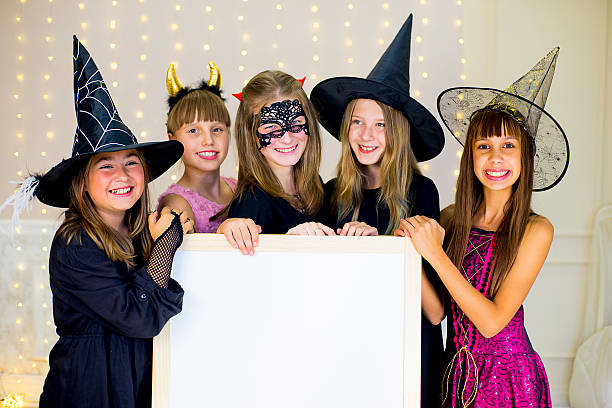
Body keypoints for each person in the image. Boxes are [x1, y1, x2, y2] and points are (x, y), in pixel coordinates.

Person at [0, 37, 193, 407]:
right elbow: (139, 317)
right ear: (83, 183)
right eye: (106, 166)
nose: (122, 175)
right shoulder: (76, 244)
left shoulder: (139, 233)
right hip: (90, 388)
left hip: (137, 384)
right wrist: (166, 244)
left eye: (131, 162)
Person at [395, 47, 569, 407]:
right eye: (484, 146)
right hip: (453, 375)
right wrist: (409, 251)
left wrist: (435, 255)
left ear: (525, 155)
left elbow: (492, 324)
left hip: (507, 379)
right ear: (470, 155)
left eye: (509, 145)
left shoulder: (536, 230)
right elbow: (437, 312)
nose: (495, 158)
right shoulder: (451, 218)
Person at [310, 14, 446, 407]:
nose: (366, 136)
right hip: (349, 350)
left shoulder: (422, 192)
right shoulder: (331, 194)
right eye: (357, 122)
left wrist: (391, 249)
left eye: (380, 125)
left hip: (407, 349)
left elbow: (436, 313)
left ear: (398, 132)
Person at [217, 70, 333, 254]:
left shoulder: (316, 187)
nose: (287, 139)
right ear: (251, 135)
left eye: (296, 123)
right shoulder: (252, 203)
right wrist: (287, 242)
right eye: (271, 128)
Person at [158, 62, 237, 232]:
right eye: (193, 130)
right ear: (173, 140)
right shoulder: (177, 205)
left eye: (217, 129)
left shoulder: (239, 189)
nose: (208, 140)